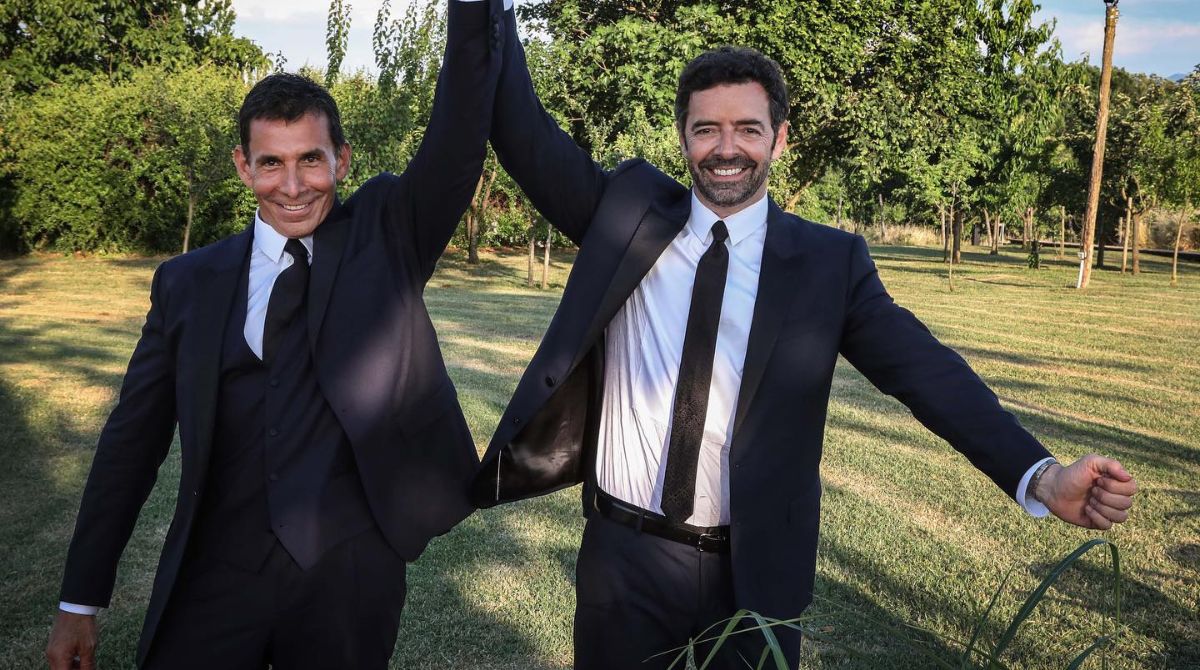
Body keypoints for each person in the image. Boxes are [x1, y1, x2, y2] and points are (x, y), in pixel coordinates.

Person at [470, 15, 1138, 670]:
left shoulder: (828, 264)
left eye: (747, 129)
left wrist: (1041, 474)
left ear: (780, 138)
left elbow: (927, 373)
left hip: (753, 577)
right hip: (625, 562)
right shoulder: (627, 213)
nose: (726, 148)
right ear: (683, 137)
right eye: (706, 129)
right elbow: (525, 134)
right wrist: (485, 12)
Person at [44, 1, 510, 667]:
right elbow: (130, 443)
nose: (293, 187)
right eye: (271, 163)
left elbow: (460, 126)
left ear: (342, 160)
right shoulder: (186, 284)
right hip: (214, 571)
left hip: (347, 577)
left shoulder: (388, 234)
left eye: (311, 160)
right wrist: (79, 600)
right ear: (243, 166)